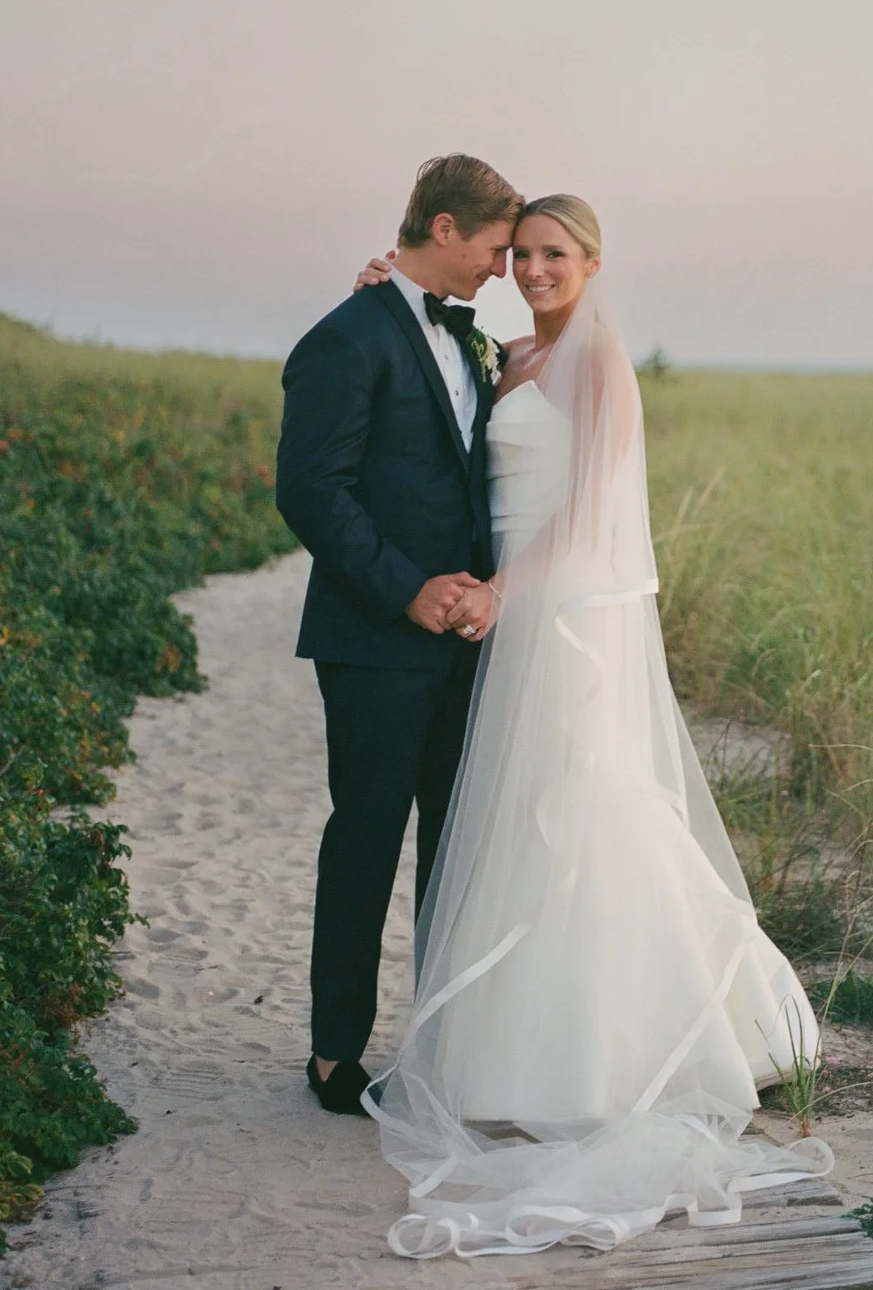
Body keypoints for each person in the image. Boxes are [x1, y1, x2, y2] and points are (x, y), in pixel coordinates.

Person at [348, 195, 830, 1257]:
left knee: (587, 796)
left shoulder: (601, 364)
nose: (531, 270)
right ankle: (505, 1055)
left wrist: (503, 588)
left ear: (593, 261)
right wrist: (386, 292)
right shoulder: (504, 352)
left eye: (552, 255)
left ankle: (615, 1049)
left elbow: (586, 506)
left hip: (564, 616)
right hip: (512, 621)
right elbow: (442, 386)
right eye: (518, 255)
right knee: (523, 813)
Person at [274, 153, 523, 1116]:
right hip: (375, 638)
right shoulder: (346, 337)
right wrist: (406, 591)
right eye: (495, 251)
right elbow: (310, 491)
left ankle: (441, 1043)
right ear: (446, 227)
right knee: (367, 840)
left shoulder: (475, 341)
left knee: (454, 851)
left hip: (468, 642)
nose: (500, 273)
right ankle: (335, 1052)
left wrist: (478, 595)